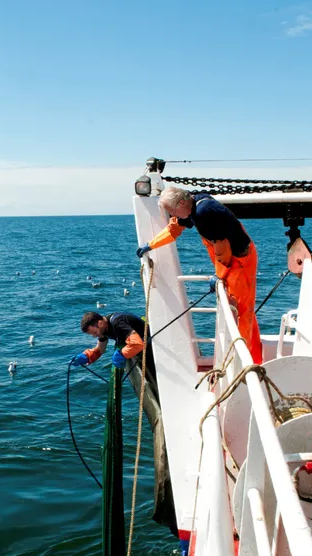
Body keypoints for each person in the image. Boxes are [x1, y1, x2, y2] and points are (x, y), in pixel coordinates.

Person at [70, 311, 176, 535]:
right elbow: (100, 350)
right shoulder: (107, 330)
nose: (95, 336)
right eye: (91, 335)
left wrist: (122, 355)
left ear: (100, 322)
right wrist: (86, 357)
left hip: (156, 357)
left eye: (94, 332)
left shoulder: (118, 322)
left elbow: (136, 343)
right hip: (145, 355)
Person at [137, 186, 263, 363]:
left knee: (242, 311)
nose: (172, 215)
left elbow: (222, 248)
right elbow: (174, 229)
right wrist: (151, 245)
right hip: (230, 261)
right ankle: (254, 356)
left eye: (172, 211)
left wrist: (220, 276)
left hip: (240, 262)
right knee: (242, 308)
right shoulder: (191, 207)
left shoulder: (205, 213)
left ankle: (247, 362)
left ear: (181, 203)